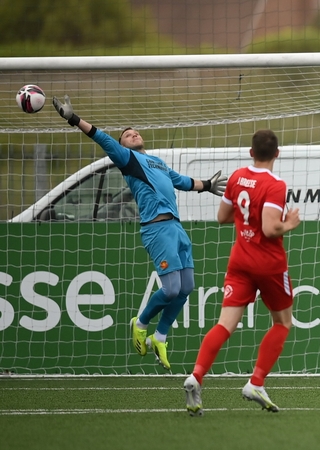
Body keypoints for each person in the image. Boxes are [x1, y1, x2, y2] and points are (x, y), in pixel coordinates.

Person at [52, 95, 227, 371]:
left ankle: (160, 337)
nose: (132, 134)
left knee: (187, 286)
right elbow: (103, 139)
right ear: (123, 147)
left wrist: (207, 184)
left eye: (135, 132)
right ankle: (141, 323)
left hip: (176, 227)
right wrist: (73, 119)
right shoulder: (127, 159)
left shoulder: (156, 161)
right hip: (156, 229)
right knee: (170, 289)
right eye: (127, 135)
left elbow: (180, 181)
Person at [183, 129, 300, 416]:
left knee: (225, 324)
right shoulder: (275, 184)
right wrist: (289, 223)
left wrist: (244, 214)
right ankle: (256, 382)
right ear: (277, 153)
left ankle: (196, 376)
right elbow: (270, 227)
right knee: (283, 323)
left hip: (240, 261)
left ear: (251, 152)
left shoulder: (236, 177)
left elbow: (222, 217)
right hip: (269, 263)